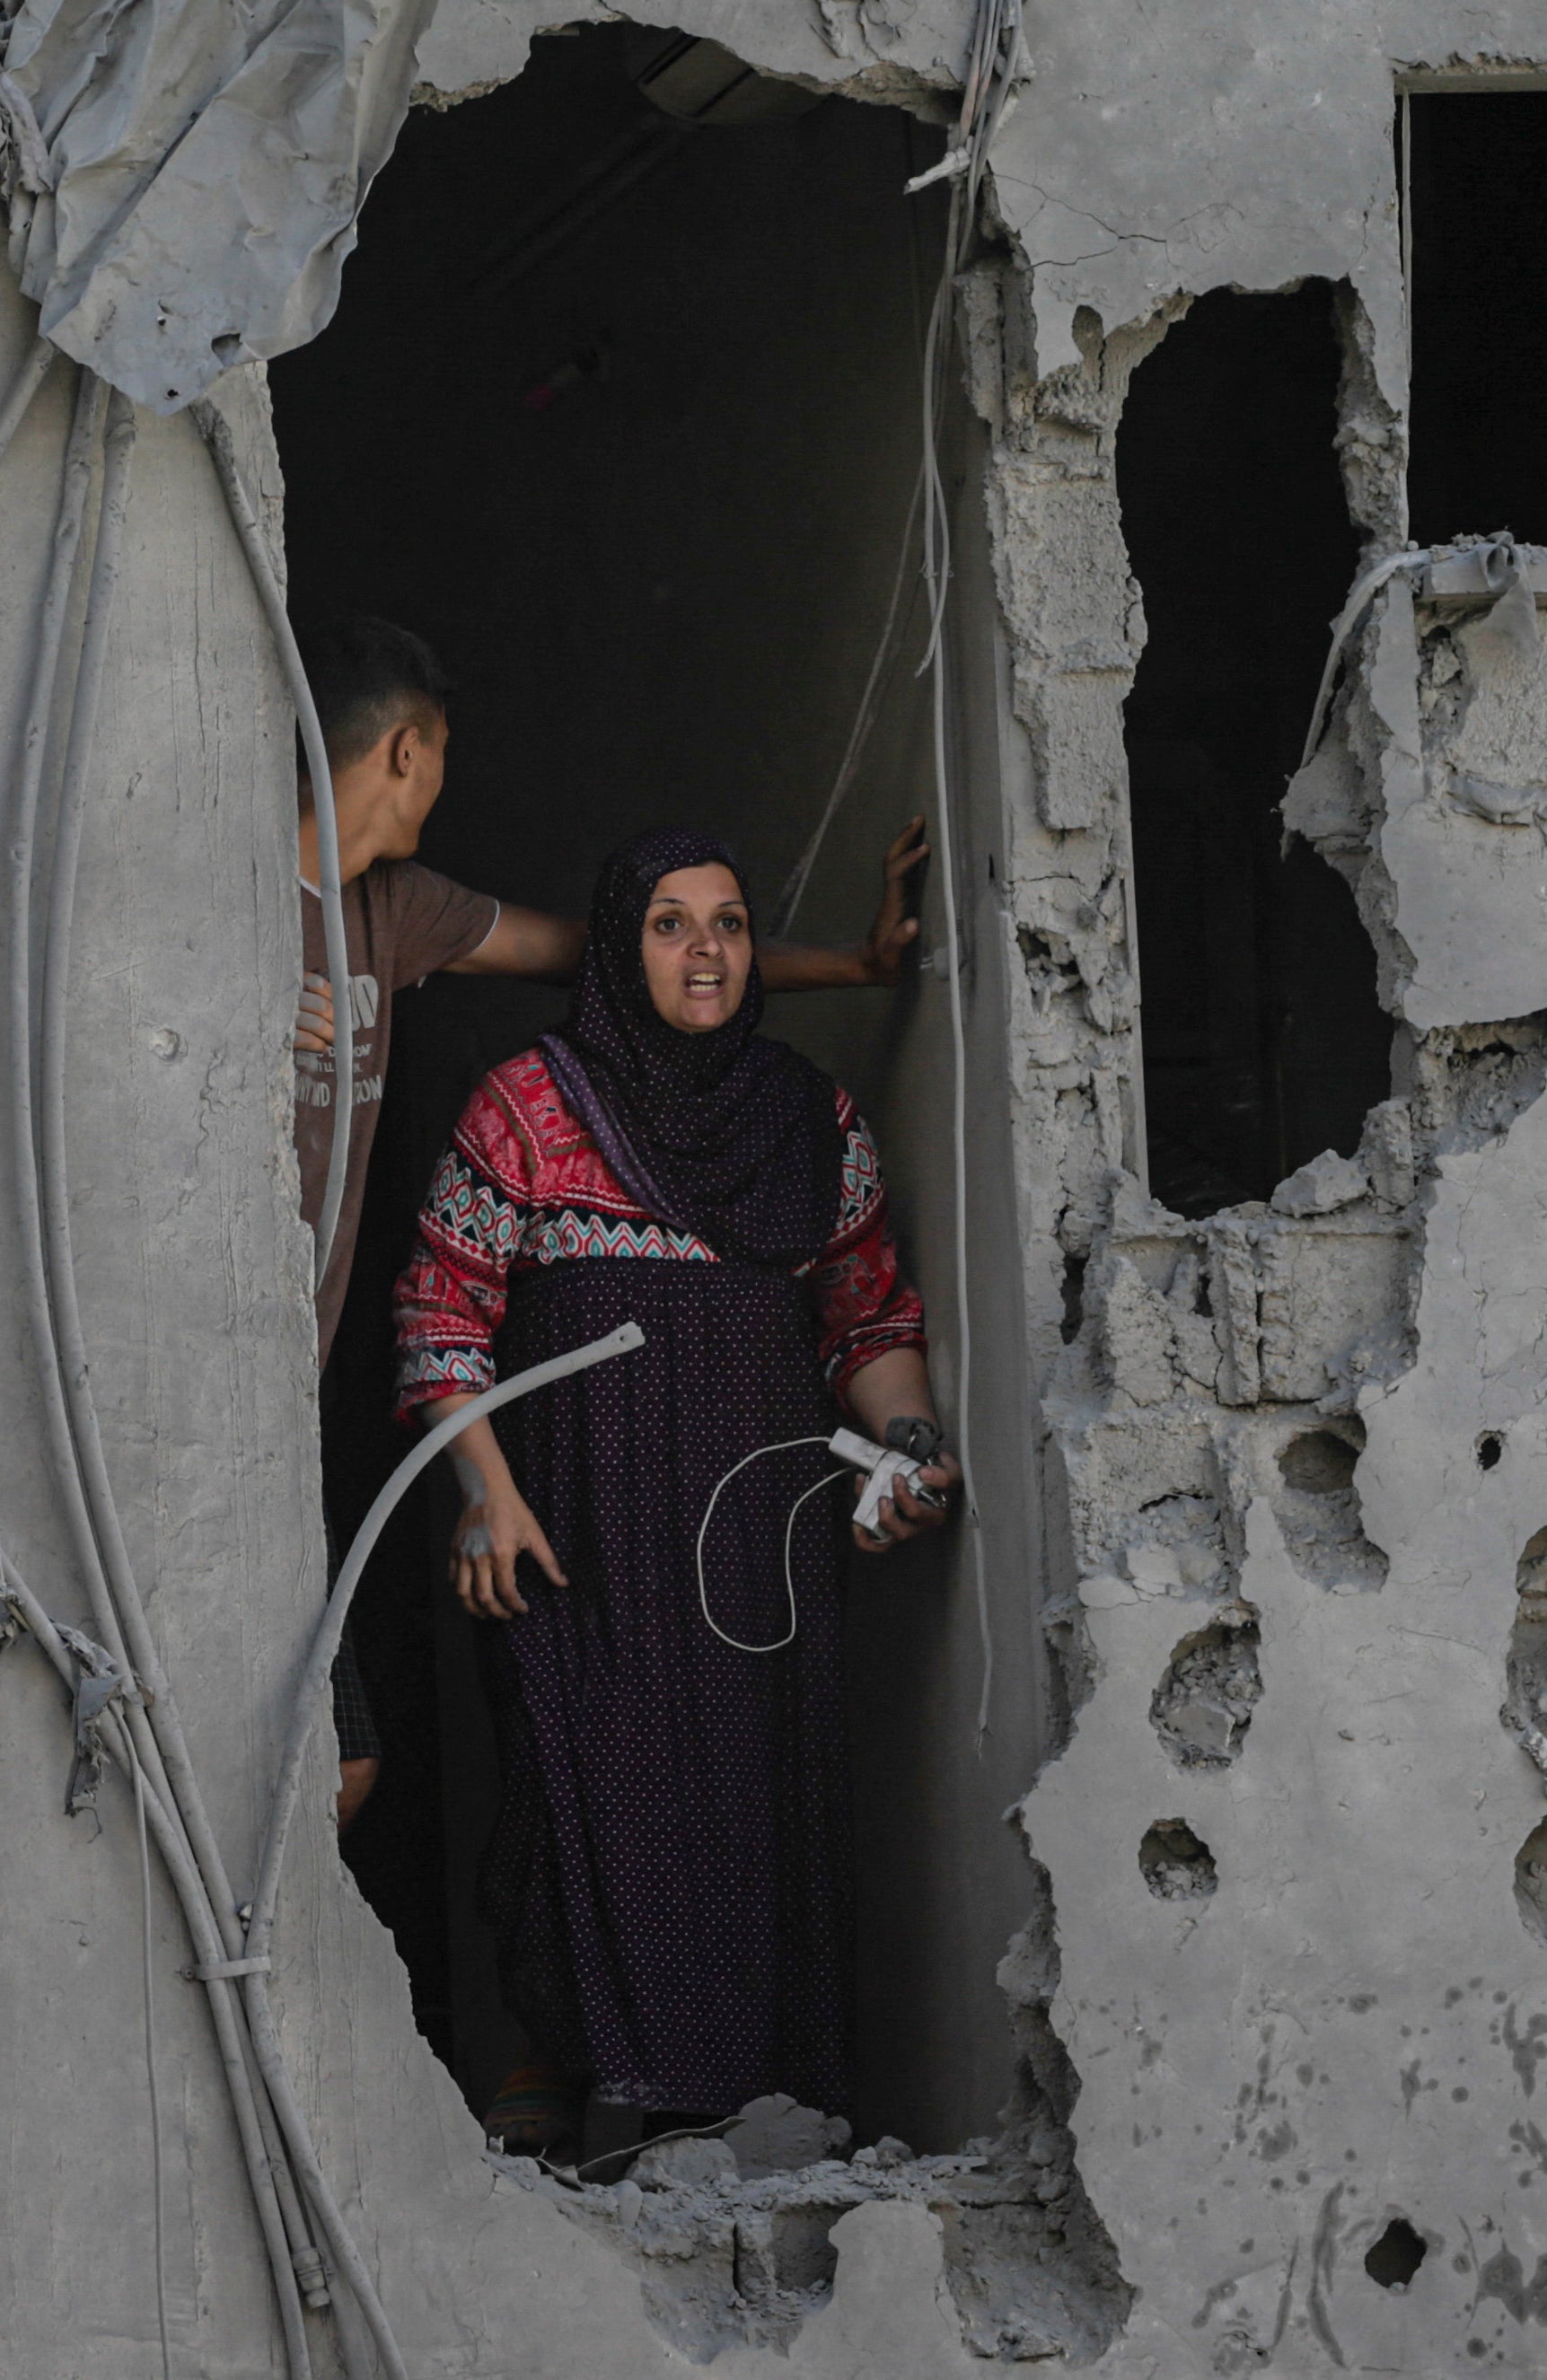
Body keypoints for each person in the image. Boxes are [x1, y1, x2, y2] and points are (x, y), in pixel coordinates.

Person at [289, 618, 924, 1827]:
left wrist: (855, 968)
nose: (703, 949)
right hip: (209, 1400)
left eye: (723, 924)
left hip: (306, 1389)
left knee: (335, 1760)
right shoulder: (211, 909)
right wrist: (235, 1001)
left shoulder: (399, 909)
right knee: (330, 1762)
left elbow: (605, 955)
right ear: (412, 752)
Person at [386, 827, 956, 2155]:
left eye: (731, 923)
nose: (706, 950)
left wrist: (914, 1440)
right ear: (615, 944)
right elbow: (441, 1313)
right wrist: (486, 1492)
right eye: (669, 924)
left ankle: (733, 2115)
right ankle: (576, 2075)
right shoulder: (530, 1104)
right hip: (568, 1532)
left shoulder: (813, 1126)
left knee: (756, 1805)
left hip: (755, 1544)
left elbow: (866, 1319)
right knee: (576, 1790)